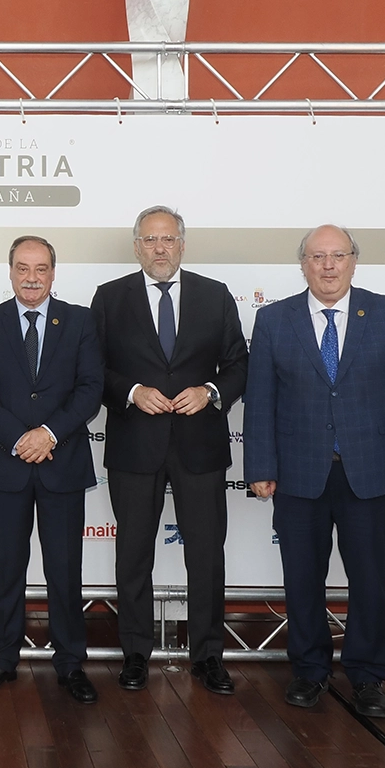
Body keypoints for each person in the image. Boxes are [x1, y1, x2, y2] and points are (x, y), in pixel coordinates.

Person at [243, 224, 385, 718]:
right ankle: (309, 670)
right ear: (302, 264)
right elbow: (259, 401)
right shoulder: (273, 319)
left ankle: (367, 675)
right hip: (298, 474)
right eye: (317, 257)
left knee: (370, 579)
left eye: (338, 255)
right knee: (302, 578)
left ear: (353, 261)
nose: (328, 266)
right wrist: (260, 466)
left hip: (370, 472)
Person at [89, 206, 248, 694]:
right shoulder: (109, 297)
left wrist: (211, 392)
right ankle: (136, 653)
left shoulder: (215, 295)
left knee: (206, 555)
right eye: (150, 240)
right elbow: (93, 369)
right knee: (133, 554)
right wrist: (132, 391)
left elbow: (239, 364)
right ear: (136, 246)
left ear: (182, 244)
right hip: (135, 445)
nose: (160, 248)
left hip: (200, 445)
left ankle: (208, 655)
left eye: (168, 239)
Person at [0, 236, 104, 704]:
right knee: (8, 567)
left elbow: (90, 389)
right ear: (10, 272)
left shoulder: (80, 320)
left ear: (53, 273)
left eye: (40, 268)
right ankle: (3, 658)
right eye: (22, 268)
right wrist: (19, 439)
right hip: (6, 464)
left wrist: (48, 434)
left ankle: (71, 663)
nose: (31, 277)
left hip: (61, 462)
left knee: (64, 569)